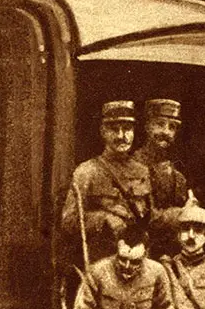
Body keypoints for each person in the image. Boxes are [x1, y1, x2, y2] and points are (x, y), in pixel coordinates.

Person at [61, 100, 152, 265]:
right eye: (114, 129)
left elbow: (150, 217)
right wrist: (103, 219)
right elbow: (68, 220)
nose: (121, 136)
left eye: (127, 129)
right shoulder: (87, 171)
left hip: (138, 259)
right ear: (103, 131)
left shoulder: (142, 171)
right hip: (102, 261)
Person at [133, 99, 187, 258]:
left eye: (172, 127)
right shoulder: (131, 166)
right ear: (147, 126)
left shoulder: (177, 176)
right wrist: (183, 214)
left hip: (170, 256)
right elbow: (144, 217)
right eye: (160, 124)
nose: (166, 132)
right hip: (138, 254)